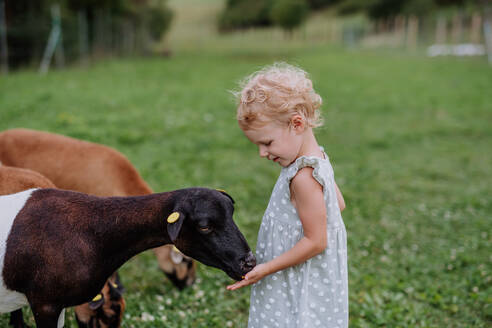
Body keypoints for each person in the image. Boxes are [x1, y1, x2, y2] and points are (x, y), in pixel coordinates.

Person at [227, 63, 348, 328]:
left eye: (267, 142)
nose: (262, 153)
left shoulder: (304, 176)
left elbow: (316, 242)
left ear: (297, 123)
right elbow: (337, 205)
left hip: (295, 278)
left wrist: (267, 268)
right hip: (307, 273)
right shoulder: (319, 158)